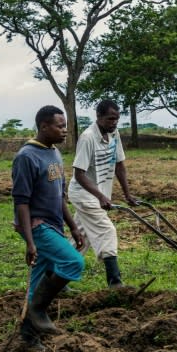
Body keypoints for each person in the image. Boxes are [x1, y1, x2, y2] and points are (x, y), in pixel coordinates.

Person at [12, 105, 85, 347]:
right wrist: (30, 241)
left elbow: (59, 196)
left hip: (54, 224)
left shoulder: (54, 153)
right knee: (73, 262)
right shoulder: (26, 157)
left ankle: (27, 338)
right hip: (37, 225)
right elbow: (21, 201)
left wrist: (73, 227)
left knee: (39, 279)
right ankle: (39, 310)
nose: (65, 130)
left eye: (65, 126)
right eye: (60, 126)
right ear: (44, 127)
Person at [68, 99, 138, 289]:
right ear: (98, 117)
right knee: (107, 230)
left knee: (82, 236)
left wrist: (127, 194)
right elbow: (79, 174)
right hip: (83, 193)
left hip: (98, 194)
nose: (114, 123)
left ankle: (55, 276)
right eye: (109, 119)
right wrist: (100, 196)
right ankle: (114, 282)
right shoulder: (88, 137)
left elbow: (119, 165)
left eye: (116, 119)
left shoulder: (114, 134)